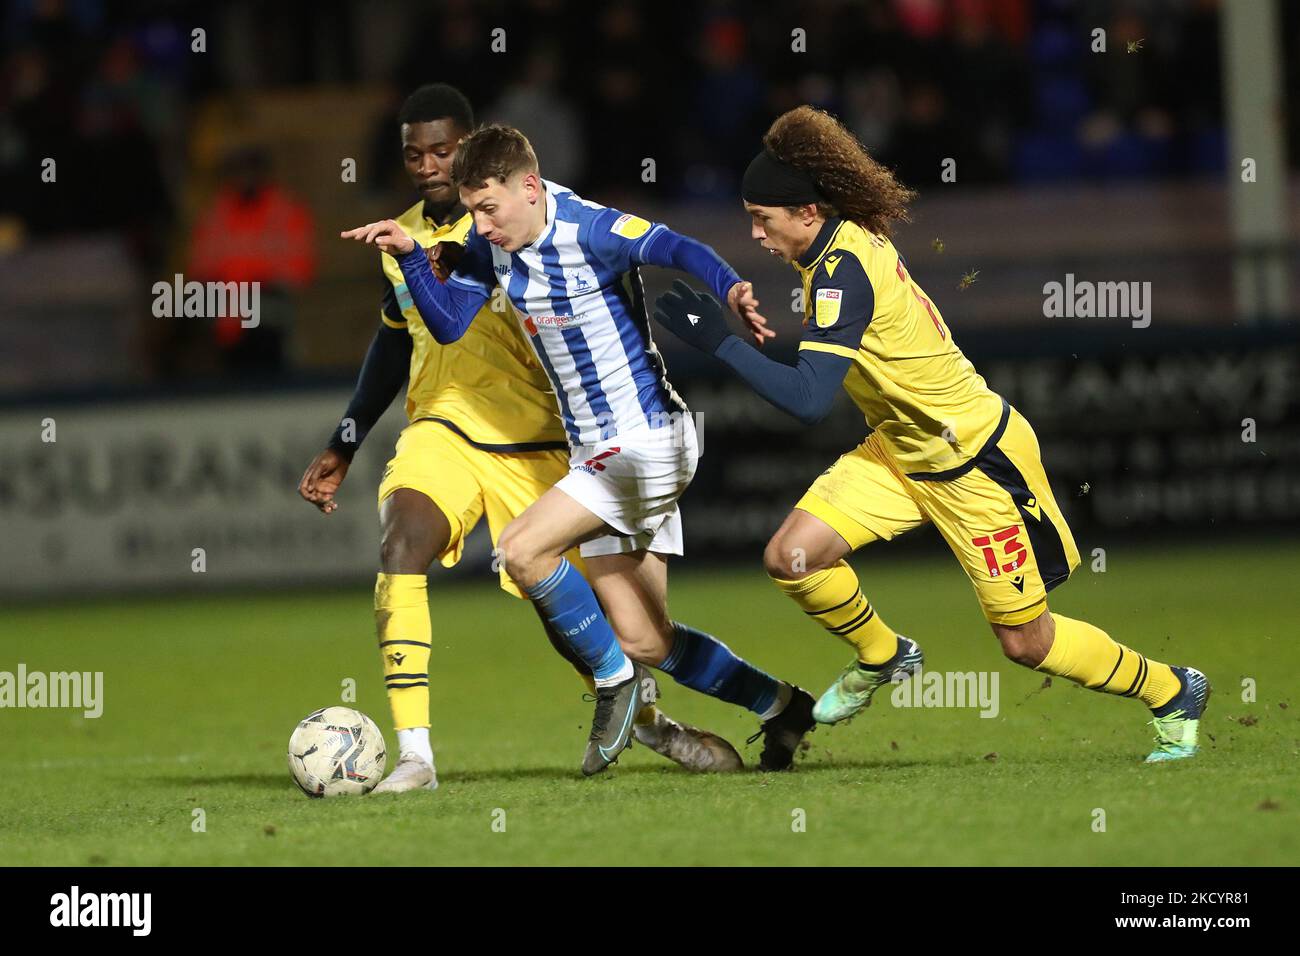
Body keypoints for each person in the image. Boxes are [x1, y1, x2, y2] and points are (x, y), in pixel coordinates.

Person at [652, 106, 1209, 763]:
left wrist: (717, 342)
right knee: (791, 557)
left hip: (974, 462)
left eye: (762, 219)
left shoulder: (839, 272)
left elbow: (807, 399)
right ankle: (885, 655)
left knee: (1026, 643)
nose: (755, 234)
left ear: (806, 213)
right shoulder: (833, 244)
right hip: (900, 450)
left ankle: (1173, 690)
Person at [302, 86, 741, 793]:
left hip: (541, 440)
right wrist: (346, 440)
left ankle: (657, 722)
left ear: (478, 152)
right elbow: (397, 341)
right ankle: (416, 754)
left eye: (442, 150)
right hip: (444, 427)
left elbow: (640, 262)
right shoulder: (405, 236)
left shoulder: (516, 230)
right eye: (413, 154)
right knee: (400, 544)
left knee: (604, 625)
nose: (426, 165)